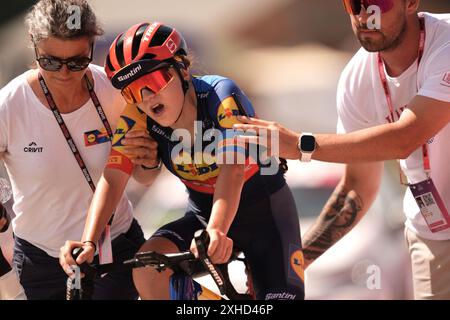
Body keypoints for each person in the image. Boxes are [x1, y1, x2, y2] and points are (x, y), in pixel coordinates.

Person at [59, 21, 305, 300]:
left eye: (152, 82)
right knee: (147, 272)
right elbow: (114, 177)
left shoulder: (220, 95)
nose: (146, 97)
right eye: (132, 91)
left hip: (265, 216)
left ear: (182, 69)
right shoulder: (138, 116)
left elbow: (233, 170)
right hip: (202, 218)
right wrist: (89, 240)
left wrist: (217, 229)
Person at [233, 0, 450, 299]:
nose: (365, 15)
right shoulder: (356, 79)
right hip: (432, 236)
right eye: (355, 4)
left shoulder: (446, 43)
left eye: (378, 4)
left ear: (411, 3)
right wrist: (289, 266)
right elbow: (357, 188)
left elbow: (406, 138)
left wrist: (299, 144)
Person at [0, 0, 159, 299]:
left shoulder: (115, 90)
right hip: (41, 262)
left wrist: (150, 162)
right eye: (50, 61)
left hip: (116, 246)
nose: (63, 73)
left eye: (76, 62)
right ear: (33, 46)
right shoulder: (9, 105)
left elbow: (145, 178)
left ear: (92, 47)